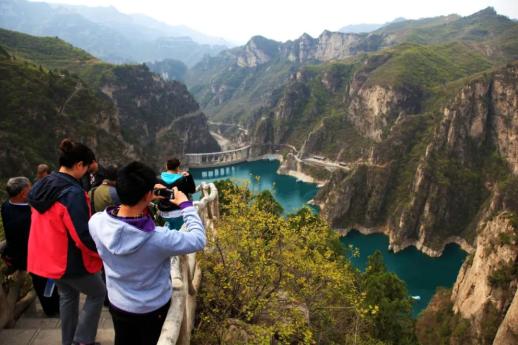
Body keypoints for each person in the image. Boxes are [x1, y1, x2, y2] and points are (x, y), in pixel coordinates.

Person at [88, 161, 206, 345]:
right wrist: (186, 205)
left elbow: (120, 215)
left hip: (118, 304)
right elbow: (199, 239)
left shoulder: (96, 223)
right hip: (152, 309)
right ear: (147, 194)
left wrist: (145, 198)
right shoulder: (158, 238)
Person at [28, 138, 105, 345]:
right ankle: (82, 341)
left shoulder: (42, 184)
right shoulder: (72, 193)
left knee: (68, 296)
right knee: (98, 293)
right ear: (79, 165)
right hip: (68, 260)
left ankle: (68, 341)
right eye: (87, 168)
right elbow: (81, 235)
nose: (88, 173)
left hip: (47, 258)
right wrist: (101, 252)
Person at [1, 176, 60, 316]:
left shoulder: (6, 206)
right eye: (30, 187)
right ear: (23, 193)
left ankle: (51, 309)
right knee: (45, 282)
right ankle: (53, 309)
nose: (32, 189)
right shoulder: (31, 213)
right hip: (35, 254)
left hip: (19, 254)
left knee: (42, 282)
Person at [156, 158, 196, 230]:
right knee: (179, 232)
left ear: (167, 166)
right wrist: (189, 177)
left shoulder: (158, 179)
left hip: (164, 213)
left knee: (170, 230)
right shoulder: (182, 179)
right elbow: (192, 190)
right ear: (177, 168)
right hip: (178, 212)